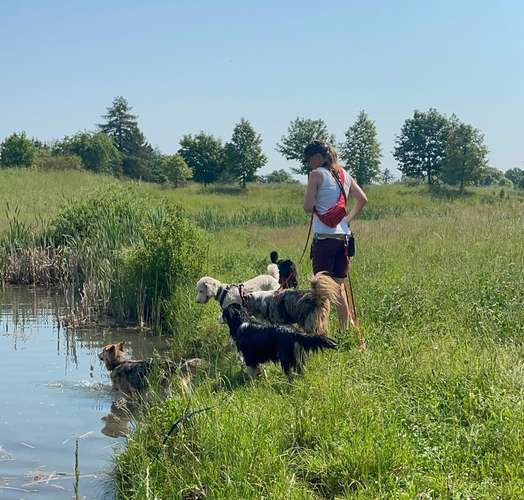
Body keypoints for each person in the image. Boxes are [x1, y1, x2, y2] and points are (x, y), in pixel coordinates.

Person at [303, 140, 368, 330]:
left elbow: (307, 207)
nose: (309, 163)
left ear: (318, 157)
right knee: (339, 287)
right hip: (344, 239)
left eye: (309, 159)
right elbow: (362, 199)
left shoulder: (316, 175)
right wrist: (347, 220)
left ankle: (319, 331)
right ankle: (345, 330)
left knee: (321, 289)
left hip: (324, 239)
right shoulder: (344, 174)